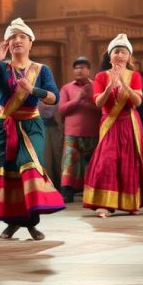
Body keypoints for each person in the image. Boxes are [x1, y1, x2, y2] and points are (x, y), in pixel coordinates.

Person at [0, 18, 64, 240]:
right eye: (12, 37)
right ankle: (12, 223)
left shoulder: (42, 69)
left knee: (29, 166)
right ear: (7, 43)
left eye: (22, 37)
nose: (17, 41)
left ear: (31, 43)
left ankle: (32, 222)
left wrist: (33, 90)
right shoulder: (2, 68)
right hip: (2, 125)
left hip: (31, 124)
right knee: (7, 173)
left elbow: (54, 98)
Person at [82, 34, 143, 218]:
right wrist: (109, 87)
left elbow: (138, 102)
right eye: (116, 51)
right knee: (106, 161)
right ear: (110, 56)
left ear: (129, 57)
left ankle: (130, 203)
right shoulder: (101, 77)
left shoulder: (135, 76)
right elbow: (99, 103)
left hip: (130, 123)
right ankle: (104, 204)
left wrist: (124, 83)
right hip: (110, 123)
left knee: (129, 161)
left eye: (123, 52)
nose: (119, 55)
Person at [57, 56, 101, 203]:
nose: (79, 70)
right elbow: (61, 109)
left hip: (94, 132)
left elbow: (102, 109)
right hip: (72, 133)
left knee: (93, 164)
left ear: (89, 70)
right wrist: (77, 99)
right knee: (69, 163)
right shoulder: (66, 88)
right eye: (76, 68)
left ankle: (92, 192)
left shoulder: (97, 86)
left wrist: (87, 100)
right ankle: (67, 193)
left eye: (82, 67)